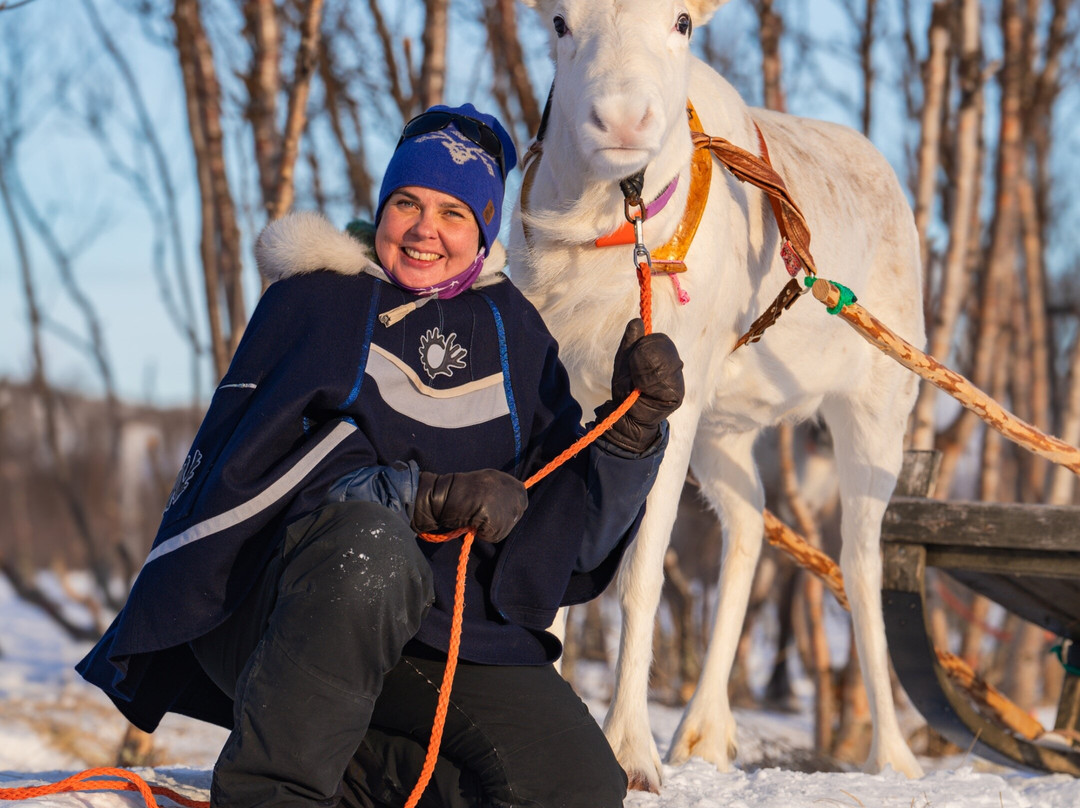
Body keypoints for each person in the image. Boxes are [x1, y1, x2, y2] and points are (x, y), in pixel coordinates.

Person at [78, 103, 684, 808]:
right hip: (286, 609)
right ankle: (272, 792)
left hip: (442, 632)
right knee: (373, 550)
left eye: (454, 212)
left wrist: (631, 437)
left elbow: (567, 547)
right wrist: (418, 495)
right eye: (407, 203)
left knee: (577, 786)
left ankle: (355, 776)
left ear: (485, 227)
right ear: (382, 207)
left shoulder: (517, 334)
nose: (426, 229)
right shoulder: (318, 298)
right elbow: (247, 478)